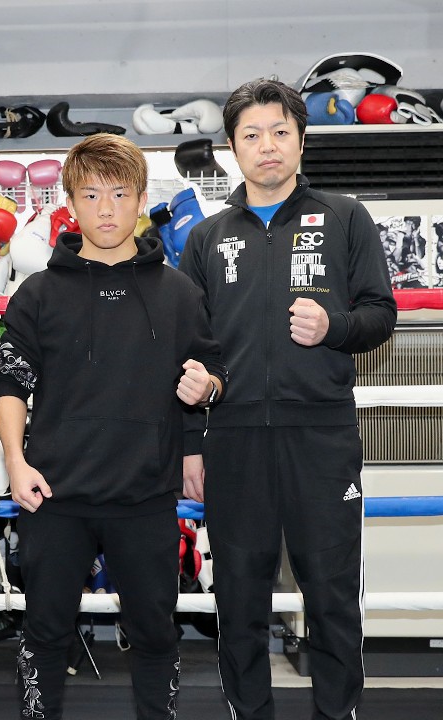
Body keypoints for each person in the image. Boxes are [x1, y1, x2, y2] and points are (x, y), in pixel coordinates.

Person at [179, 79, 397, 720]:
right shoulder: (207, 238)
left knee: (332, 595)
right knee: (238, 598)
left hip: (321, 436)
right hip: (234, 439)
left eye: (280, 131)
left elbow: (381, 313)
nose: (267, 145)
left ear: (301, 140)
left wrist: (335, 326)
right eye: (251, 134)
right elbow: (190, 353)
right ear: (232, 147)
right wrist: (191, 442)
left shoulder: (345, 217)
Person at [0, 133, 228, 720]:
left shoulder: (179, 292)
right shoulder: (37, 293)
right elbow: (10, 383)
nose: (106, 209)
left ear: (141, 200)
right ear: (71, 202)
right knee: (44, 633)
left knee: (154, 632)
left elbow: (212, 371)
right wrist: (15, 463)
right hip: (55, 494)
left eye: (120, 194)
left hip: (145, 494)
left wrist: (206, 388)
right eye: (92, 194)